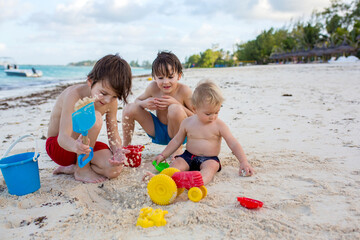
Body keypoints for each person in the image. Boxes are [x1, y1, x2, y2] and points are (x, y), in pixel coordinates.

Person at [46, 54, 132, 183]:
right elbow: (62, 138)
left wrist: (118, 151)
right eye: (103, 93)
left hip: (84, 146)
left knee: (114, 169)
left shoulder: (110, 101)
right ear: (90, 81)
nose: (108, 100)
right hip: (61, 147)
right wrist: (76, 146)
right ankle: (82, 169)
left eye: (115, 97)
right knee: (95, 117)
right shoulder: (74, 95)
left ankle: (74, 166)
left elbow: (113, 135)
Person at [153, 80, 254, 185]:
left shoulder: (219, 125)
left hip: (209, 158)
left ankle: (197, 182)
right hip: (188, 156)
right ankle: (165, 180)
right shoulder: (187, 123)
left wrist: (243, 162)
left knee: (210, 169)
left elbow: (233, 143)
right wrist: (163, 154)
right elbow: (176, 141)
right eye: (208, 113)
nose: (213, 117)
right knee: (176, 163)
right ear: (195, 109)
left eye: (216, 112)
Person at [122, 51, 194, 157]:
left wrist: (177, 104)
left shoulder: (184, 91)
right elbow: (137, 101)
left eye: (170, 77)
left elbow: (197, 117)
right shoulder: (153, 87)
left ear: (178, 76)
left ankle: (177, 149)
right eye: (160, 78)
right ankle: (126, 148)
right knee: (129, 108)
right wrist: (144, 103)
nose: (165, 82)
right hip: (158, 131)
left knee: (175, 109)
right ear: (154, 77)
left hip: (179, 134)